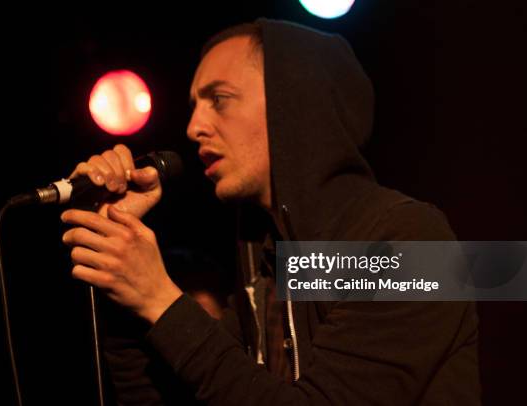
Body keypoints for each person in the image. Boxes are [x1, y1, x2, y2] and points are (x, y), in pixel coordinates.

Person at [60, 19, 480, 404]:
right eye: (194, 105)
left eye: (219, 99)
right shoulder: (267, 257)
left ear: (293, 106)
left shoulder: (411, 239)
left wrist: (157, 297)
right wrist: (121, 275)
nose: (193, 127)